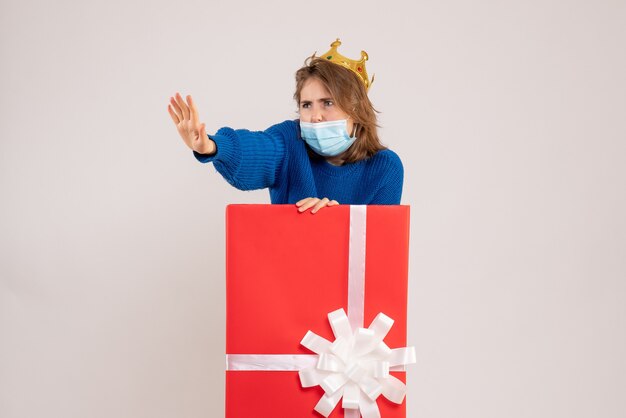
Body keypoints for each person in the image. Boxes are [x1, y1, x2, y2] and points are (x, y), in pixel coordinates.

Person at [167, 39, 403, 214]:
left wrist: (336, 224)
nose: (315, 116)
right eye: (306, 105)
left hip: (346, 281)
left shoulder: (385, 168)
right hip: (288, 276)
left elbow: (378, 252)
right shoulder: (291, 141)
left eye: (328, 103)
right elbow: (257, 148)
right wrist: (212, 146)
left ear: (356, 110)